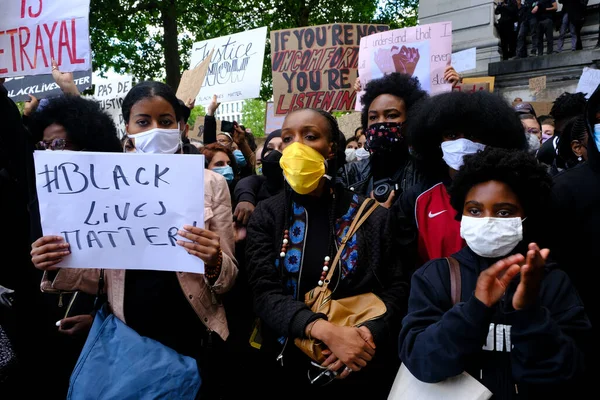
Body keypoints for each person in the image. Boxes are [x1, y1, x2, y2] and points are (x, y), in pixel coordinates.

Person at [31, 81, 238, 399]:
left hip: (193, 333)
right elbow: (98, 271)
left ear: (180, 126)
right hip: (131, 339)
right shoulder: (102, 181)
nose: (156, 129)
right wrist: (55, 260)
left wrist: (215, 261)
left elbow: (228, 280)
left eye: (166, 121)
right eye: (143, 121)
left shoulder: (210, 184)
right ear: (127, 126)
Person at [399, 147, 590, 398]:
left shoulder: (550, 280)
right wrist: (474, 309)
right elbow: (423, 362)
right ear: (461, 213)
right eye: (475, 210)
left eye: (504, 212)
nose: (487, 220)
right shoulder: (436, 276)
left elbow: (566, 372)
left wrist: (529, 313)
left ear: (525, 215)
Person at [245, 108, 407, 398]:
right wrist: (325, 332)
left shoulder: (371, 215)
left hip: (357, 367)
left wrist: (365, 337)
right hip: (284, 367)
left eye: (310, 136)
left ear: (331, 148)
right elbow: (263, 293)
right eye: (287, 138)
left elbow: (396, 286)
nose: (297, 146)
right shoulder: (268, 215)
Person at [395, 90, 527, 268]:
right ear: (436, 141)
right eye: (452, 135)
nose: (463, 143)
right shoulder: (417, 199)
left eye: (472, 136)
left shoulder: (514, 193)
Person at [339, 73, 429, 206]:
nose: (380, 123)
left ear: (411, 120)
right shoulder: (349, 174)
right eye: (373, 117)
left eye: (391, 115)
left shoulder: (426, 172)